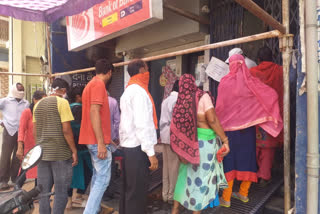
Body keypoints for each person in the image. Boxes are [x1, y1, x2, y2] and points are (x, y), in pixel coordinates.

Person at [215, 54, 283, 207]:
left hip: (230, 131)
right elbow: (271, 94)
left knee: (229, 161)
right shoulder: (251, 83)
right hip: (248, 131)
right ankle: (243, 194)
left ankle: (226, 198)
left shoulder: (225, 83)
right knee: (247, 159)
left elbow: (220, 107)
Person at [170, 74, 229, 214]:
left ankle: (175, 209)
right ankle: (196, 211)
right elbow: (213, 120)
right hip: (204, 144)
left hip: (187, 146)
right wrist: (225, 139)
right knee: (201, 178)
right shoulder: (202, 97)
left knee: (184, 177)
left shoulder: (181, 101)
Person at [119, 59, 159, 214]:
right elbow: (142, 124)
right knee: (137, 192)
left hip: (129, 148)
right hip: (138, 149)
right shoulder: (139, 92)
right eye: (147, 69)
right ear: (142, 70)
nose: (148, 73)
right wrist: (151, 153)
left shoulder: (128, 90)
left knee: (129, 189)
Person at [33, 78, 78, 214]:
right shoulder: (62, 103)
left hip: (42, 154)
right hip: (60, 154)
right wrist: (74, 150)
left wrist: (39, 148)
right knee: (60, 191)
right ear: (63, 90)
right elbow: (66, 130)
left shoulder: (38, 105)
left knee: (43, 192)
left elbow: (35, 131)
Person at [79, 59, 113, 214]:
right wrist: (101, 142)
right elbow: (94, 112)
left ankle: (94, 209)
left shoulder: (90, 85)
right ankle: (90, 211)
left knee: (97, 176)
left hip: (91, 138)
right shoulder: (99, 85)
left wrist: (105, 138)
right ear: (109, 72)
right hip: (96, 140)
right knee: (103, 179)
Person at [250, 46, 284, 184]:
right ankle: (264, 175)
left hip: (256, 114)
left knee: (255, 144)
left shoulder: (251, 72)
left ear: (258, 59)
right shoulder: (280, 70)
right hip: (273, 114)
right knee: (268, 147)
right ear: (272, 58)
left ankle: (253, 174)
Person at [66, 86, 93, 209]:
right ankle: (77, 196)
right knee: (88, 171)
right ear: (78, 96)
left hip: (69, 145)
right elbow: (80, 127)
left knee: (71, 173)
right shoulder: (79, 108)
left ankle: (71, 200)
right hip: (81, 146)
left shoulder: (67, 107)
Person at [0, 83, 29, 190]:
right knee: (5, 156)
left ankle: (15, 177)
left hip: (21, 132)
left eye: (22, 90)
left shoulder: (26, 103)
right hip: (9, 130)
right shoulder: (5, 101)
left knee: (19, 155)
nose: (21, 91)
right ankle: (3, 180)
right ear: (14, 90)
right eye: (19, 89)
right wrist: (0, 121)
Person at [16, 90, 46, 185]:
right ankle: (15, 193)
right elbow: (21, 130)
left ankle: (37, 196)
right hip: (30, 147)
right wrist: (20, 147)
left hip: (41, 146)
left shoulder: (43, 112)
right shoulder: (27, 112)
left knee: (40, 172)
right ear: (34, 100)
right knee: (25, 170)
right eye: (41, 100)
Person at [159, 80, 180, 204]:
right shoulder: (177, 101)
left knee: (166, 167)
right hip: (173, 136)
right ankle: (171, 196)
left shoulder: (166, 100)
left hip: (165, 136)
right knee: (174, 167)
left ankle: (165, 193)